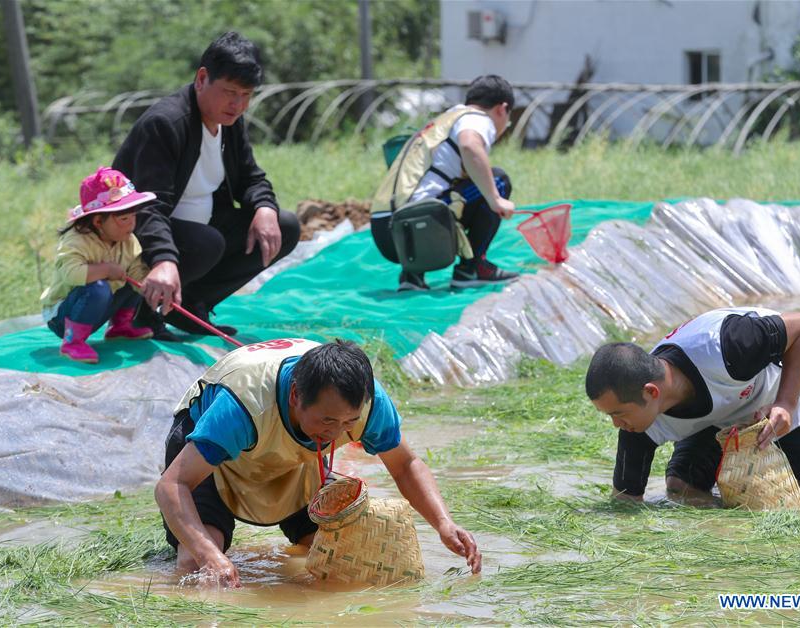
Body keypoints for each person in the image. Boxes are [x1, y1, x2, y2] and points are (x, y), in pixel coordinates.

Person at [156, 338, 481, 586]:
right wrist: (212, 557)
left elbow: (406, 464)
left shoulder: (367, 403)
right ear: (296, 396)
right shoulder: (241, 407)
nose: (340, 431)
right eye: (328, 421)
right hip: (214, 456)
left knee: (337, 554)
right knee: (200, 566)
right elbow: (172, 485)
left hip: (292, 457)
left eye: (349, 422)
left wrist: (443, 523)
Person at [113, 32, 300, 341]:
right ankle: (141, 313)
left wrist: (265, 208)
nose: (238, 104)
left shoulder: (230, 122)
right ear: (202, 79)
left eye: (246, 95)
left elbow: (250, 178)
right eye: (229, 92)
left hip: (200, 229)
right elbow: (146, 206)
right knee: (206, 242)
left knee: (284, 225)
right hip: (139, 237)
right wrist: (163, 259)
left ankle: (191, 305)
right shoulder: (166, 124)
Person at [584, 307, 800, 503]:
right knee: (681, 487)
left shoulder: (726, 347)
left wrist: (785, 403)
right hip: (727, 414)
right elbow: (625, 503)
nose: (616, 424)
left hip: (796, 386)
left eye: (618, 414)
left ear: (651, 392)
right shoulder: (637, 430)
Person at [370, 75, 519, 292]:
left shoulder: (443, 121)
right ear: (502, 109)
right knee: (498, 180)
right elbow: (470, 145)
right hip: (417, 225)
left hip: (385, 233)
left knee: (443, 186)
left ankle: (412, 275)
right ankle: (472, 268)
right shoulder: (477, 118)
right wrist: (496, 199)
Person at [40, 167, 156, 364]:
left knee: (133, 282)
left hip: (99, 308)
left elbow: (136, 269)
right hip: (64, 316)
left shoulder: (128, 240)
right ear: (98, 221)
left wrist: (148, 285)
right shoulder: (76, 241)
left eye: (133, 217)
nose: (131, 225)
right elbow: (71, 274)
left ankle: (119, 327)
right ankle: (72, 342)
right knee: (98, 288)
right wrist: (107, 270)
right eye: (124, 219)